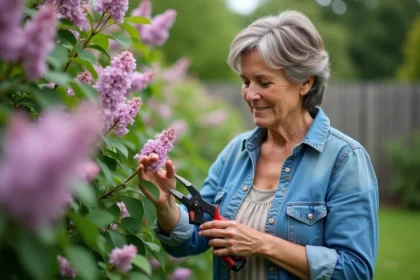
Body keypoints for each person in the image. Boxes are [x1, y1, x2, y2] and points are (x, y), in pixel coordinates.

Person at [137, 10, 379, 280]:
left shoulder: (345, 160)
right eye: (245, 81)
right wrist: (166, 206)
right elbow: (192, 239)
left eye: (264, 82)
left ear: (305, 82)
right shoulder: (235, 153)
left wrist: (261, 243)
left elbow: (355, 271)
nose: (251, 94)